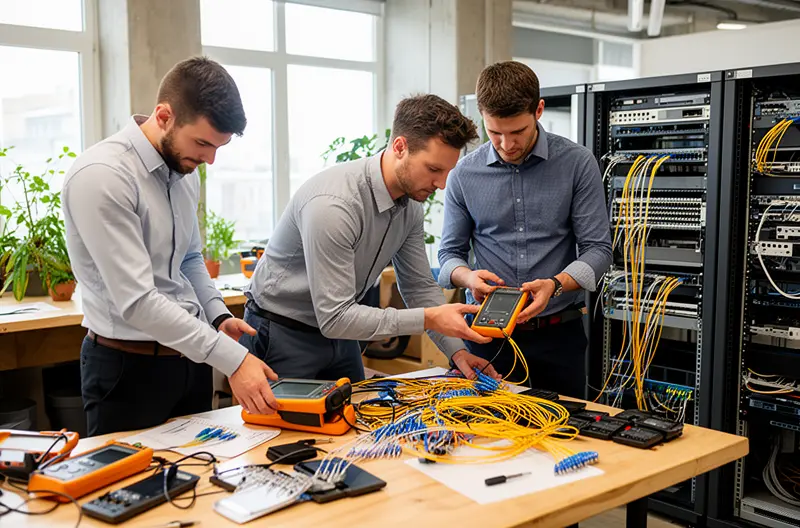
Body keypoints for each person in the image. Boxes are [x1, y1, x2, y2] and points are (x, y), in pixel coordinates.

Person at [63, 57, 278, 436]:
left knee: (199, 481)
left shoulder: (183, 170)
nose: (209, 159)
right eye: (202, 143)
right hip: (127, 368)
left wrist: (216, 317)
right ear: (163, 116)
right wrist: (233, 360)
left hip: (190, 362)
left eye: (218, 147)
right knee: (128, 490)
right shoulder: (102, 176)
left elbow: (190, 257)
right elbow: (138, 301)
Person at [241, 94, 499, 383]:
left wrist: (458, 353)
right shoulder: (334, 205)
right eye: (433, 169)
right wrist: (427, 317)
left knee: (359, 422)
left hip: (343, 334)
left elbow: (418, 286)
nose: (440, 185)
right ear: (400, 147)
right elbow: (335, 316)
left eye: (447, 173)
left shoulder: (411, 205)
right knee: (288, 428)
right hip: (283, 332)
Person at [437, 61, 612, 398]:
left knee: (564, 435)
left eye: (517, 131)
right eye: (494, 132)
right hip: (487, 339)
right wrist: (467, 277)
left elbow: (598, 250)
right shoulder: (463, 174)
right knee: (487, 440)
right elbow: (448, 255)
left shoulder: (577, 164)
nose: (505, 144)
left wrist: (556, 285)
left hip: (559, 336)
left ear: (539, 110)